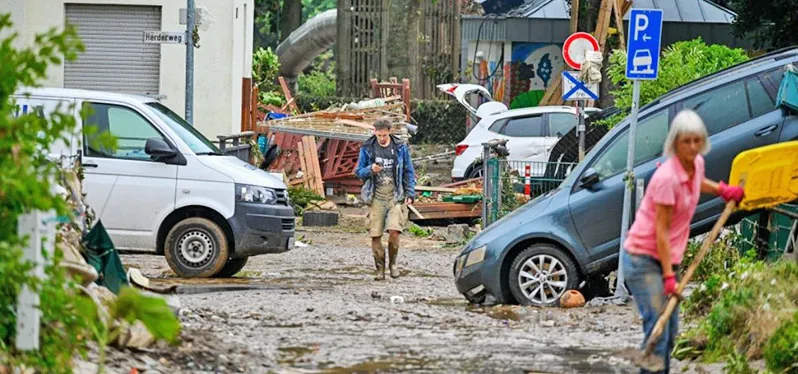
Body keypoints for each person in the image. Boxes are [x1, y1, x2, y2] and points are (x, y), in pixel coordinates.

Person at [621, 109, 745, 373]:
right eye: (685, 141)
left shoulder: (696, 164)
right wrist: (668, 275)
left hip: (667, 260)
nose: (691, 147)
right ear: (674, 143)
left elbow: (698, 181)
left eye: (696, 140)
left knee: (672, 330)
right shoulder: (666, 178)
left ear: (702, 141)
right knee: (658, 329)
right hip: (643, 259)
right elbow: (661, 232)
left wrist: (723, 190)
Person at [356, 118, 416, 281]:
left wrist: (410, 193)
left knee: (395, 231)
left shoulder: (399, 147)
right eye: (378, 135)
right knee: (375, 235)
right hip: (375, 197)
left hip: (395, 196)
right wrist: (370, 169)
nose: (381, 138)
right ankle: (380, 269)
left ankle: (393, 264)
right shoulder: (368, 148)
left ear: (389, 131)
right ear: (375, 132)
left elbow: (408, 171)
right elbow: (358, 172)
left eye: (384, 135)